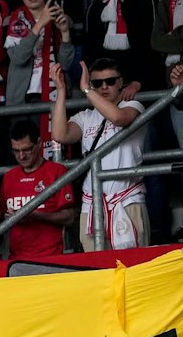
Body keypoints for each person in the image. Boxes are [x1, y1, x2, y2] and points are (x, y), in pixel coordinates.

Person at [49, 58, 147, 250]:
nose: (104, 87)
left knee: (134, 268)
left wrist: (87, 89)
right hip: (92, 204)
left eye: (110, 81)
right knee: (97, 269)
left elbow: (118, 118)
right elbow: (60, 134)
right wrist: (61, 92)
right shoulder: (85, 116)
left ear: (121, 82)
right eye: (97, 83)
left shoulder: (133, 105)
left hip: (127, 200)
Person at [84, 0, 161, 92]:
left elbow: (152, 47)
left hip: (139, 88)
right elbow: (90, 49)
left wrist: (139, 81)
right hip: (103, 87)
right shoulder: (97, 3)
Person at [0, 119, 73, 260]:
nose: (21, 156)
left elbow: (69, 218)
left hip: (51, 258)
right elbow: (1, 217)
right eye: (16, 151)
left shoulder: (57, 171)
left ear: (39, 144)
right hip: (16, 260)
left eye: (26, 149)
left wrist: (35, 215)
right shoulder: (9, 177)